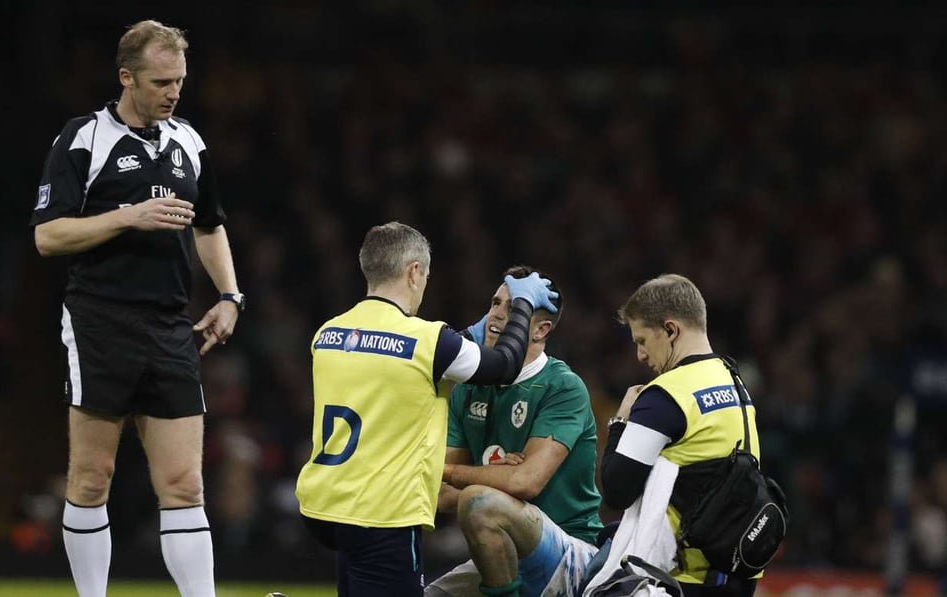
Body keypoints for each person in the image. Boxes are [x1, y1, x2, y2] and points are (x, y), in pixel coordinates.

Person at [30, 20, 242, 597]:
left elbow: (210, 224)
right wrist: (129, 215)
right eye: (160, 81)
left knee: (184, 483)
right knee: (92, 477)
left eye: (179, 80)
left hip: (171, 326)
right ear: (126, 77)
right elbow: (48, 238)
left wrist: (229, 295)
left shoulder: (189, 142)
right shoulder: (83, 139)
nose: (173, 92)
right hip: (100, 320)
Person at [295, 222, 560, 597]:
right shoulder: (428, 339)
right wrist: (524, 306)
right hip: (381, 514)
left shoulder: (328, 333)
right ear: (414, 271)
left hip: (323, 505)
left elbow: (402, 360)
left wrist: (469, 334)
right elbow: (503, 365)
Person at [426, 265, 603, 597]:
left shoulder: (563, 387)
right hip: (505, 554)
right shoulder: (468, 389)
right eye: (495, 303)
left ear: (540, 330)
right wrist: (492, 474)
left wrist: (451, 471)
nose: (496, 314)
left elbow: (525, 481)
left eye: (514, 307)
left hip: (571, 557)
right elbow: (440, 495)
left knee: (478, 501)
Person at [600, 274, 762, 597]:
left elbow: (616, 490)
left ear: (671, 330)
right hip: (739, 573)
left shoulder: (666, 395)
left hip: (684, 579)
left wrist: (619, 422)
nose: (640, 356)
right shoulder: (734, 381)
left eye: (642, 341)